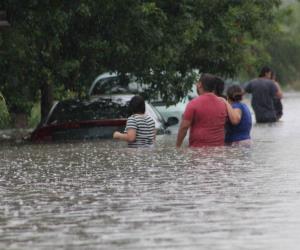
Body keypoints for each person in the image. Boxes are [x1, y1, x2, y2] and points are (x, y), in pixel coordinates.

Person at [176, 73, 228, 148]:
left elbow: (184, 127)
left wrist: (177, 146)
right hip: (219, 151)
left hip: (198, 151)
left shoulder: (193, 104)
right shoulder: (223, 104)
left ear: (199, 84)